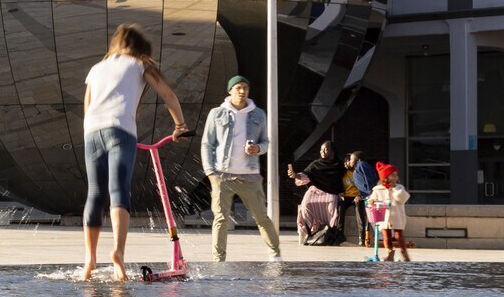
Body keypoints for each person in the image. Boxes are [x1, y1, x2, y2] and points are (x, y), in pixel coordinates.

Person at [80, 23, 191, 281]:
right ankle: (118, 253)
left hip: (92, 131)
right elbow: (168, 95)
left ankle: (89, 259)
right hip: (121, 129)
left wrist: (94, 129)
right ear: (140, 48)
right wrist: (180, 126)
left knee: (95, 193)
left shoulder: (96, 69)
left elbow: (87, 106)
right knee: (119, 190)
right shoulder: (141, 64)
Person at [201, 74, 281, 265]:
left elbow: (266, 142)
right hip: (222, 174)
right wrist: (210, 172)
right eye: (238, 88)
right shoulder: (217, 114)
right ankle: (218, 260)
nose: (242, 91)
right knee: (220, 219)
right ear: (230, 91)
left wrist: (258, 149)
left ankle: (276, 255)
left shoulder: (259, 114)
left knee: (262, 217)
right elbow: (207, 144)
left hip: (250, 175)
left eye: (245, 88)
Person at [289, 141, 348, 244]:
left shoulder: (339, 165)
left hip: (331, 192)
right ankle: (311, 230)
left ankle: (328, 231)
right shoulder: (316, 164)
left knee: (332, 202)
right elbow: (305, 175)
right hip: (315, 190)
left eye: (325, 149)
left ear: (332, 151)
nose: (322, 152)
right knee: (307, 203)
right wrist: (295, 175)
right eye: (321, 150)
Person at [369, 163, 412, 261]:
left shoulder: (399, 188)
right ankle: (389, 252)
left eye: (396, 175)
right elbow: (373, 199)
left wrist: (395, 190)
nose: (396, 177)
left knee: (398, 235)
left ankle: (404, 252)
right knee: (386, 235)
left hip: (397, 217)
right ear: (386, 177)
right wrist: (372, 201)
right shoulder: (378, 189)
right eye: (393, 175)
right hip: (384, 217)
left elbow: (403, 198)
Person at [346, 151, 376, 247]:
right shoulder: (356, 170)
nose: (349, 161)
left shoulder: (362, 165)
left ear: (358, 160)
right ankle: (364, 238)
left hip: (371, 195)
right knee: (369, 218)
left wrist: (371, 193)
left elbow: (369, 179)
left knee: (374, 220)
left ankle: (381, 238)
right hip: (366, 196)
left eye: (351, 159)